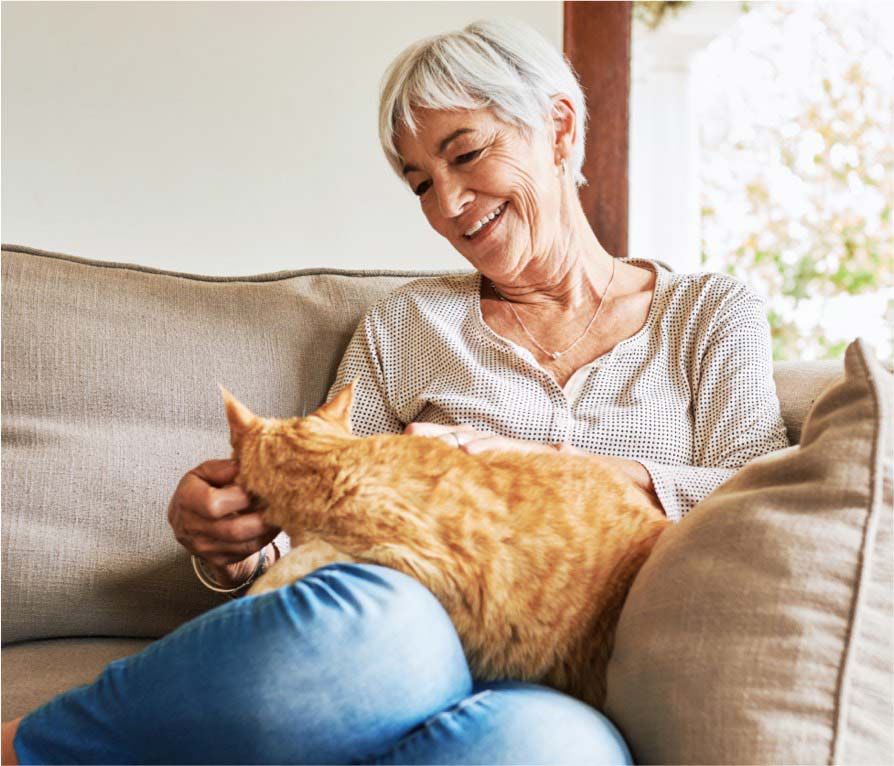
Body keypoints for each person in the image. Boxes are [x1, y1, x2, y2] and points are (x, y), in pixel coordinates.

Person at [2, 18, 788, 765]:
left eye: (467, 153)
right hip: (405, 629)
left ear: (558, 129)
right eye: (420, 183)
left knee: (549, 754)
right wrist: (234, 548)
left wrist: (556, 467)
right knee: (373, 636)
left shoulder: (708, 316)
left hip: (581, 671)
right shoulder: (411, 325)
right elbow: (318, 527)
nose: (446, 204)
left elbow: (767, 497)